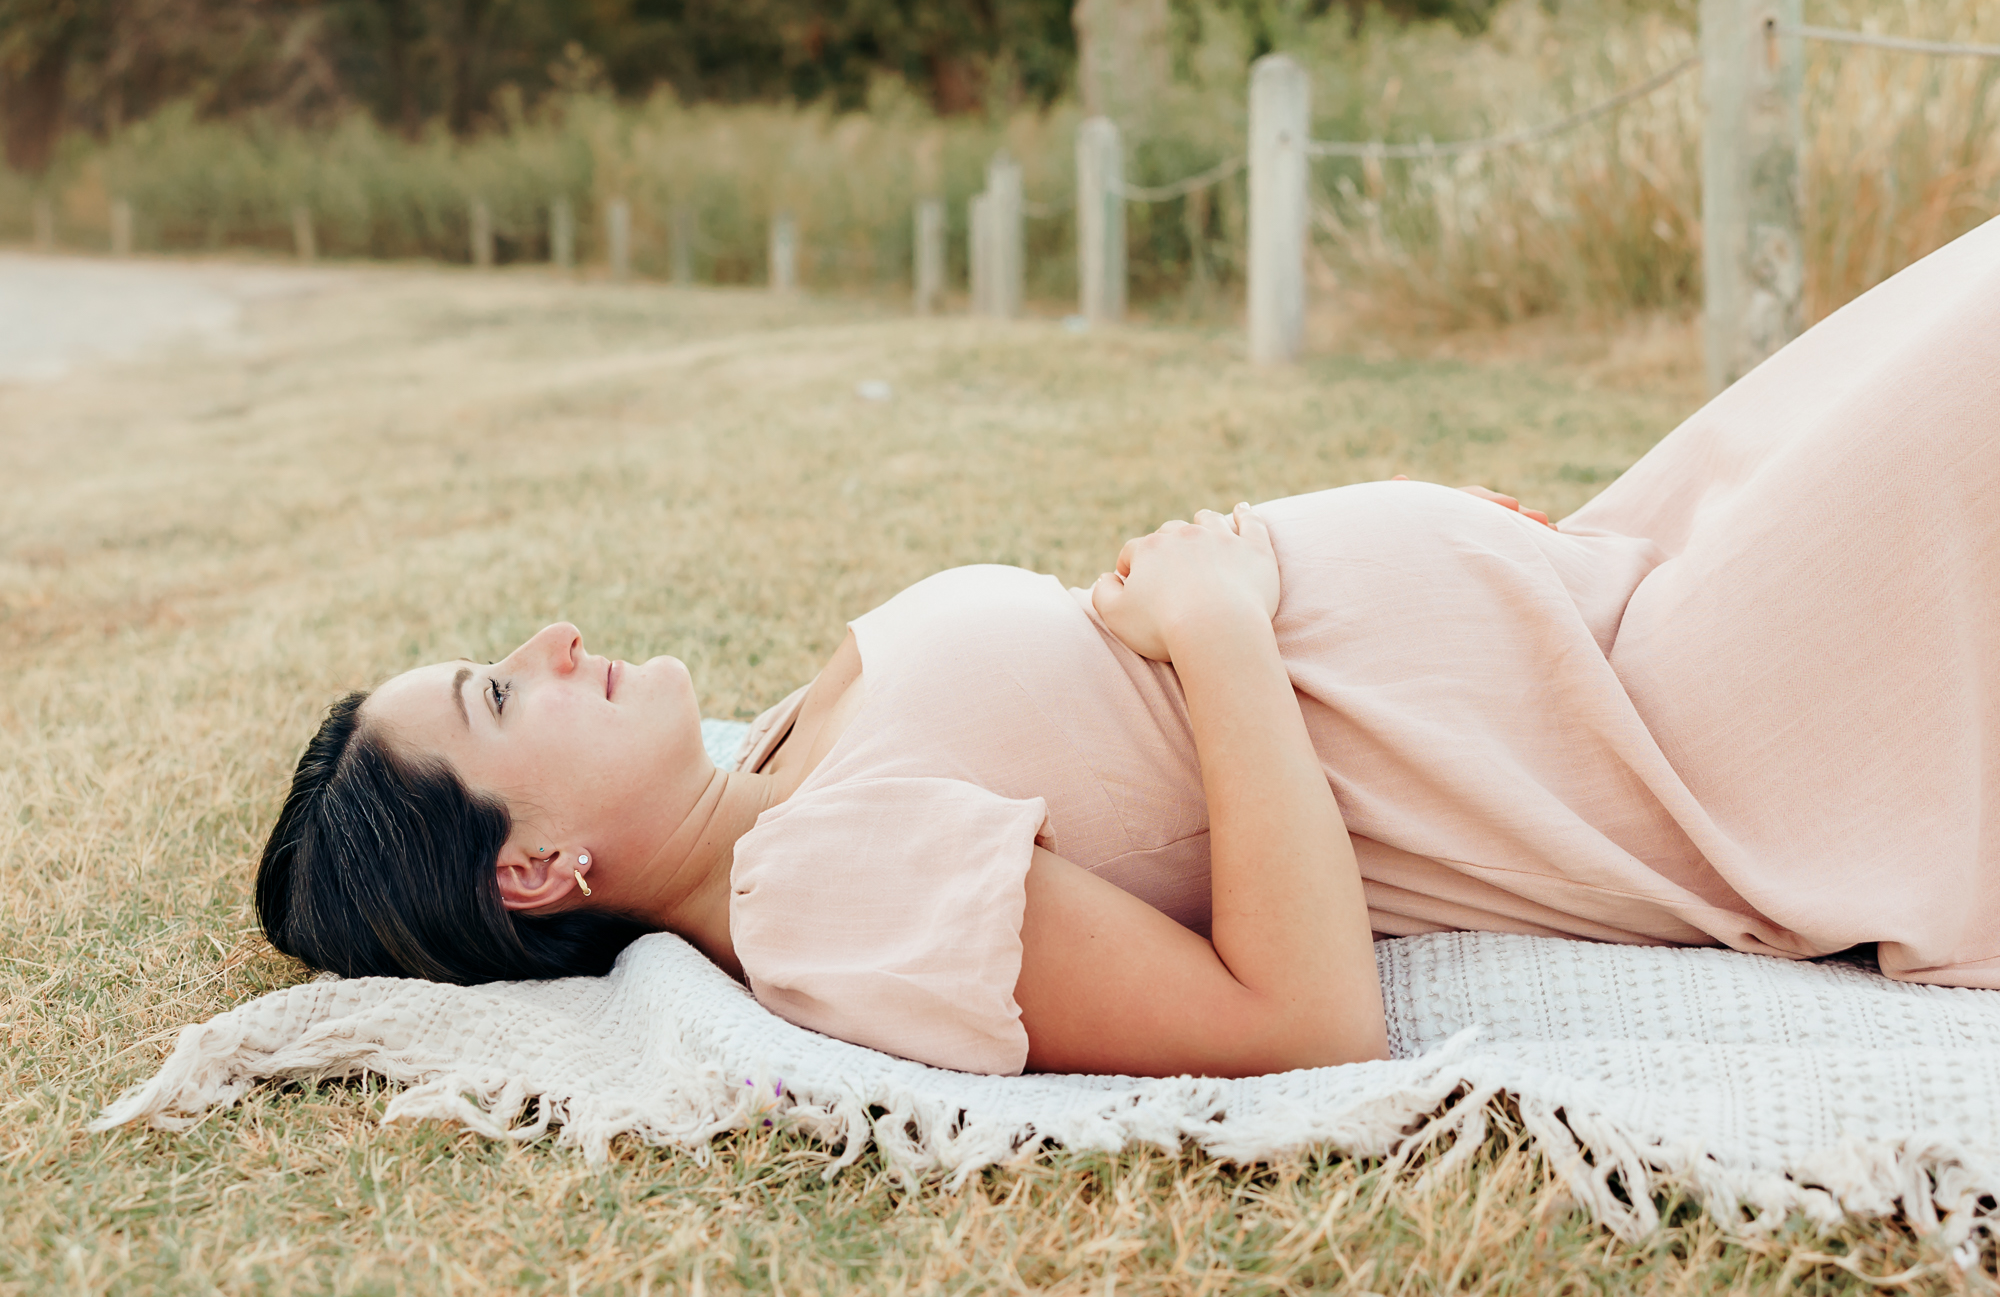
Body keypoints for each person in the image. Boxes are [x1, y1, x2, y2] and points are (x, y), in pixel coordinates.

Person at [256, 217, 2000, 1078]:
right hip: (1673, 742)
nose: (552, 639)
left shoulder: (774, 766)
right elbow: (1302, 1024)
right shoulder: (813, 897)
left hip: (1601, 593)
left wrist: (1434, 559)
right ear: (544, 869)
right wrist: (1232, 627)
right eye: (503, 690)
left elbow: (1106, 715)